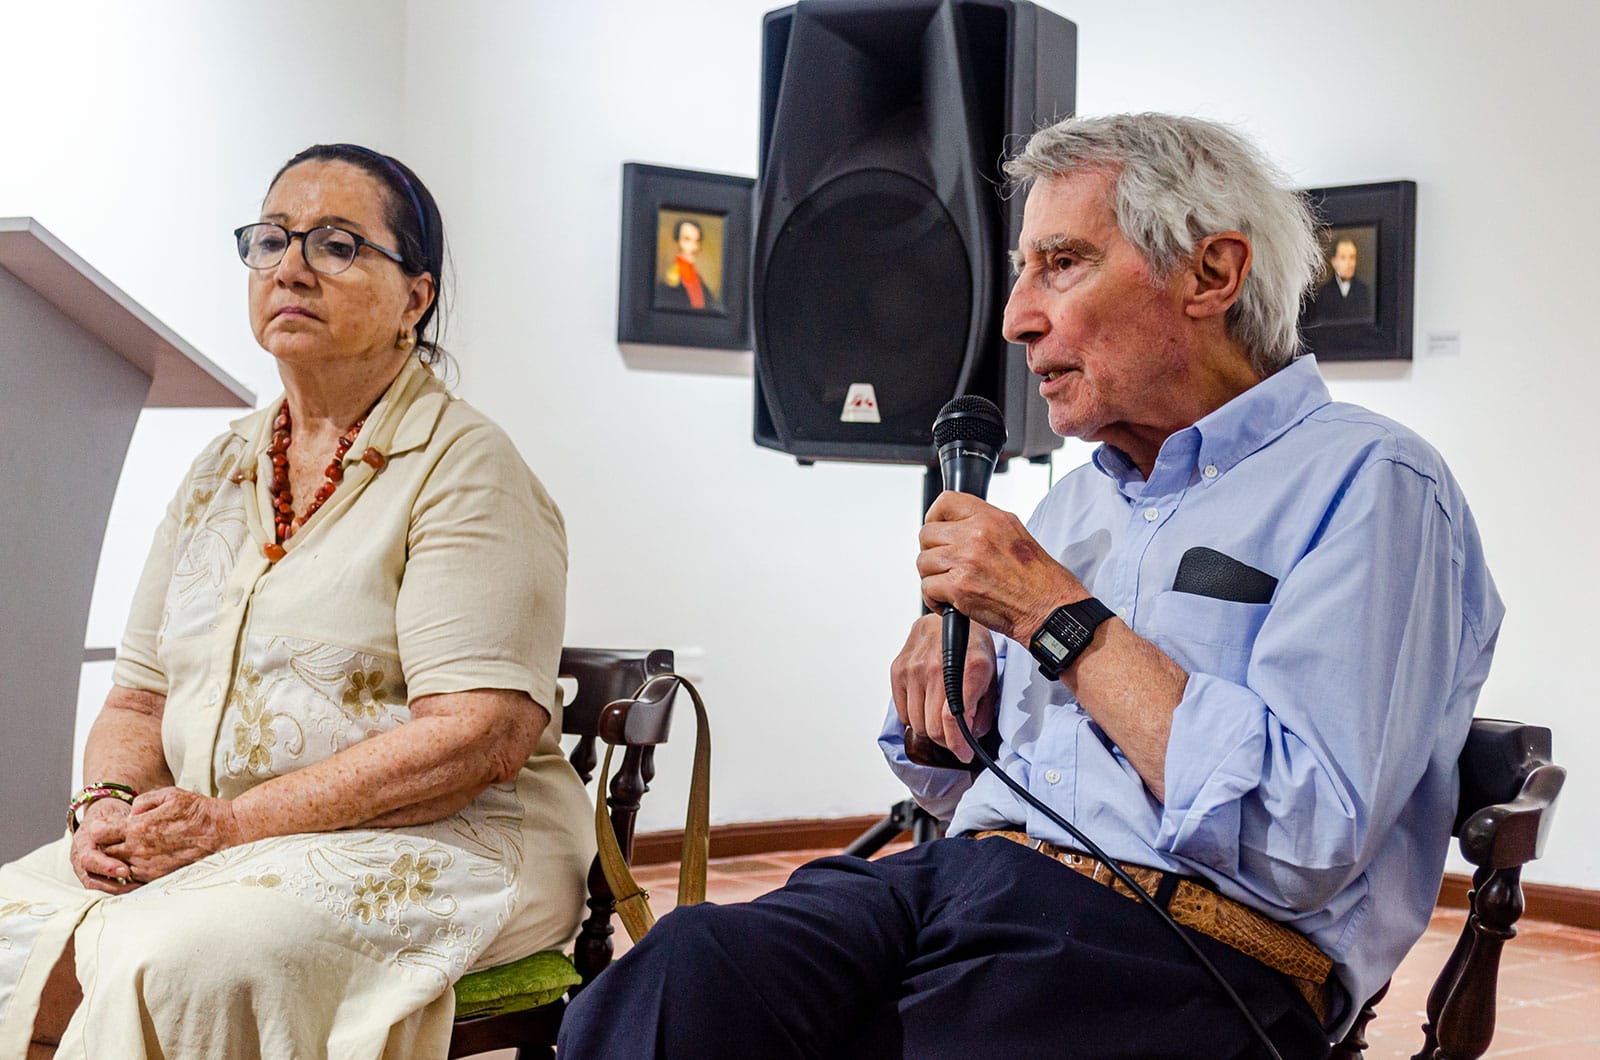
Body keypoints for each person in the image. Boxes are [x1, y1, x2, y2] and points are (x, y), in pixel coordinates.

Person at [558, 113, 1502, 1059]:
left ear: (1212, 275)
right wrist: (945, 692)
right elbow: (961, 776)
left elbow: (1304, 836)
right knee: (685, 969)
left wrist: (1056, 615)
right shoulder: (1077, 502)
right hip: (963, 879)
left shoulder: (1372, 483)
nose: (1015, 318)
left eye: (1062, 263)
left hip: (1188, 943)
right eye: (1023, 270)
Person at [0, 144, 593, 1059]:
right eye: (273, 239)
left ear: (416, 299)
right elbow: (139, 701)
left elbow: (479, 734)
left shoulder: (466, 467)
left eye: (338, 245)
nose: (291, 268)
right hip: (218, 837)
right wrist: (107, 805)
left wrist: (232, 824)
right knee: (16, 927)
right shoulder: (218, 468)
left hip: (449, 843)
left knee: (177, 962)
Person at [654, 217, 721, 311]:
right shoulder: (667, 281)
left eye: (696, 241)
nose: (693, 247)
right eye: (687, 240)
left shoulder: (698, 279)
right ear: (677, 242)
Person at [1308, 237, 1372, 322]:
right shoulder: (1323, 293)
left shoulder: (1363, 291)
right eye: (1343, 258)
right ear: (1334, 262)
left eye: (1352, 257)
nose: (1349, 264)